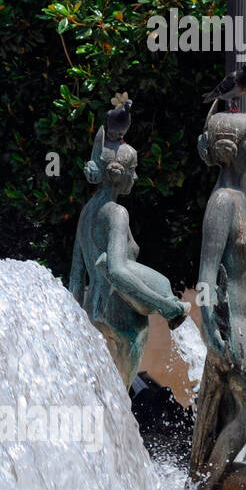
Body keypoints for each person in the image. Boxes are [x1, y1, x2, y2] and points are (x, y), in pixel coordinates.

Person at [68, 120, 189, 389]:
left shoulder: (86, 212)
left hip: (93, 314)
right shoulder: (117, 213)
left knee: (100, 397)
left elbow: (76, 278)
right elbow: (118, 270)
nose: (135, 178)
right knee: (119, 399)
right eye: (132, 171)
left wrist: (77, 323)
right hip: (122, 317)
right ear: (118, 174)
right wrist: (165, 306)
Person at [189, 108, 246, 490]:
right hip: (234, 322)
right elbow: (205, 275)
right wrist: (210, 328)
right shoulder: (221, 203)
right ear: (229, 149)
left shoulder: (245, 202)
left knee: (235, 414)